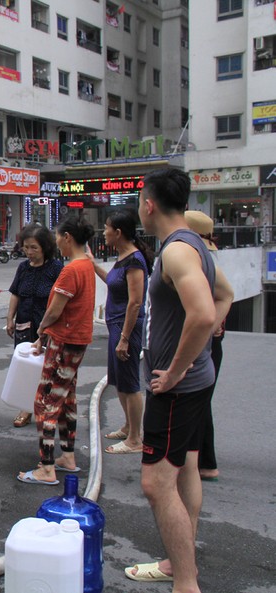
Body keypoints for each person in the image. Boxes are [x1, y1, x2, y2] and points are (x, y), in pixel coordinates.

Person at [124, 169, 233, 590]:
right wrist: (198, 350)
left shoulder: (176, 253)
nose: (139, 208)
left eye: (139, 201)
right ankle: (177, 565)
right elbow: (223, 297)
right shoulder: (195, 246)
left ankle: (186, 582)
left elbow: (205, 313)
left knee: (155, 483)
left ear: (149, 205)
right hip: (195, 380)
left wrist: (177, 368)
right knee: (186, 467)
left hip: (177, 387)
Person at [17, 215, 96, 486]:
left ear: (67, 238)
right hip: (76, 339)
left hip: (64, 341)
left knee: (45, 403)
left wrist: (41, 332)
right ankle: (68, 457)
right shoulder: (86, 264)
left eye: (58, 236)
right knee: (67, 400)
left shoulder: (71, 270)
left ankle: (47, 467)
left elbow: (54, 310)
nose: (57, 242)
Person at [89, 209, 155, 454]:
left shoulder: (135, 260)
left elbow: (135, 302)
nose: (103, 232)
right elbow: (114, 284)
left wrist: (125, 339)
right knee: (119, 381)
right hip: (116, 325)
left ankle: (136, 439)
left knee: (129, 383)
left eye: (106, 228)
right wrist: (94, 265)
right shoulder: (123, 256)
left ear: (118, 232)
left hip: (127, 327)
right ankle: (129, 426)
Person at [5, 224, 63, 428]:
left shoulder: (56, 268)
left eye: (34, 248)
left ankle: (47, 408)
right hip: (24, 323)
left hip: (47, 325)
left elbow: (60, 300)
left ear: (45, 247)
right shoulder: (23, 268)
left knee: (48, 369)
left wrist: (49, 328)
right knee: (25, 367)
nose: (29, 252)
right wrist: (10, 318)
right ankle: (26, 407)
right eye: (26, 247)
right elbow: (15, 293)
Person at [185, 211, 228, 482]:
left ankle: (204, 462)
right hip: (209, 341)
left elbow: (209, 309)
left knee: (196, 402)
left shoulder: (200, 262)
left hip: (205, 342)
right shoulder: (209, 259)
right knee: (200, 401)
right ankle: (202, 461)